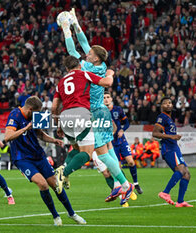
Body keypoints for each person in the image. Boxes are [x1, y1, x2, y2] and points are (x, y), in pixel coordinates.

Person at [58, 9, 134, 205]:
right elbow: (83, 44)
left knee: (100, 151)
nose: (87, 52)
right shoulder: (99, 64)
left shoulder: (89, 68)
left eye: (90, 53)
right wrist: (76, 24)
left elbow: (72, 51)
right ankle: (120, 185)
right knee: (105, 152)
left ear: (95, 59)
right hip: (100, 111)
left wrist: (67, 30)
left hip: (94, 112)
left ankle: (125, 185)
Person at [5, 96, 86, 226]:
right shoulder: (15, 115)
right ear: (31, 109)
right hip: (22, 158)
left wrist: (54, 140)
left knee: (55, 184)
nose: (38, 114)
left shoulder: (33, 116)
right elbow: (7, 137)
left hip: (38, 155)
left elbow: (40, 134)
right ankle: (56, 217)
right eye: (37, 111)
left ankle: (72, 213)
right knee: (43, 184)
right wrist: (26, 128)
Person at [52, 56, 114, 192]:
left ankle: (64, 169)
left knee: (76, 149)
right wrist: (110, 74)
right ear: (79, 66)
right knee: (87, 154)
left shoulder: (61, 82)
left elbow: (54, 106)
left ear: (67, 69)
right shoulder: (83, 74)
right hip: (81, 114)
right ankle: (64, 172)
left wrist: (58, 125)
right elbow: (106, 83)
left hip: (65, 117)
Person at [153, 97, 193, 207]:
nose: (168, 105)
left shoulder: (169, 118)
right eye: (165, 103)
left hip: (174, 148)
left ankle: (180, 201)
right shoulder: (162, 117)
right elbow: (155, 133)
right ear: (161, 106)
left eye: (170, 103)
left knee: (186, 174)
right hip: (169, 148)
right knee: (180, 170)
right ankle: (165, 192)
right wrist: (172, 136)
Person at [103, 91, 143, 194]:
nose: (106, 99)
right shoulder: (101, 112)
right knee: (117, 166)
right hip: (111, 143)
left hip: (121, 140)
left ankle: (136, 183)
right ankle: (124, 187)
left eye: (108, 97)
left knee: (130, 161)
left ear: (111, 99)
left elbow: (126, 122)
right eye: (104, 98)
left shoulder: (118, 109)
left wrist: (122, 130)